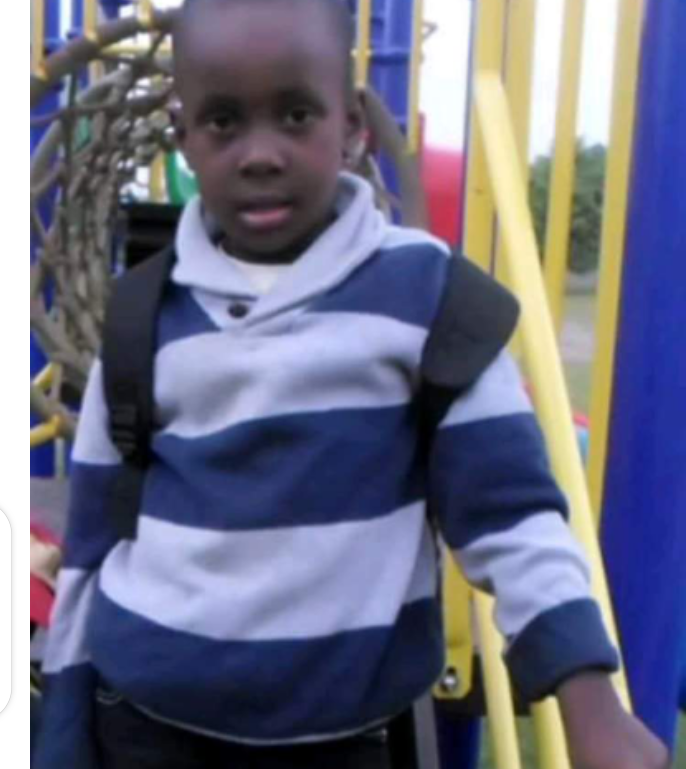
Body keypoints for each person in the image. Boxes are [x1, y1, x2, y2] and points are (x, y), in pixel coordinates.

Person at [33, 1, 669, 768]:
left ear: (354, 126)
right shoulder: (146, 314)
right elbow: (93, 547)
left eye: (296, 114)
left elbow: (511, 512)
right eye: (223, 121)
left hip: (344, 738)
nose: (260, 153)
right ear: (183, 136)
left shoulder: (428, 301)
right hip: (145, 725)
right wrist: (63, 730)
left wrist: (588, 699)